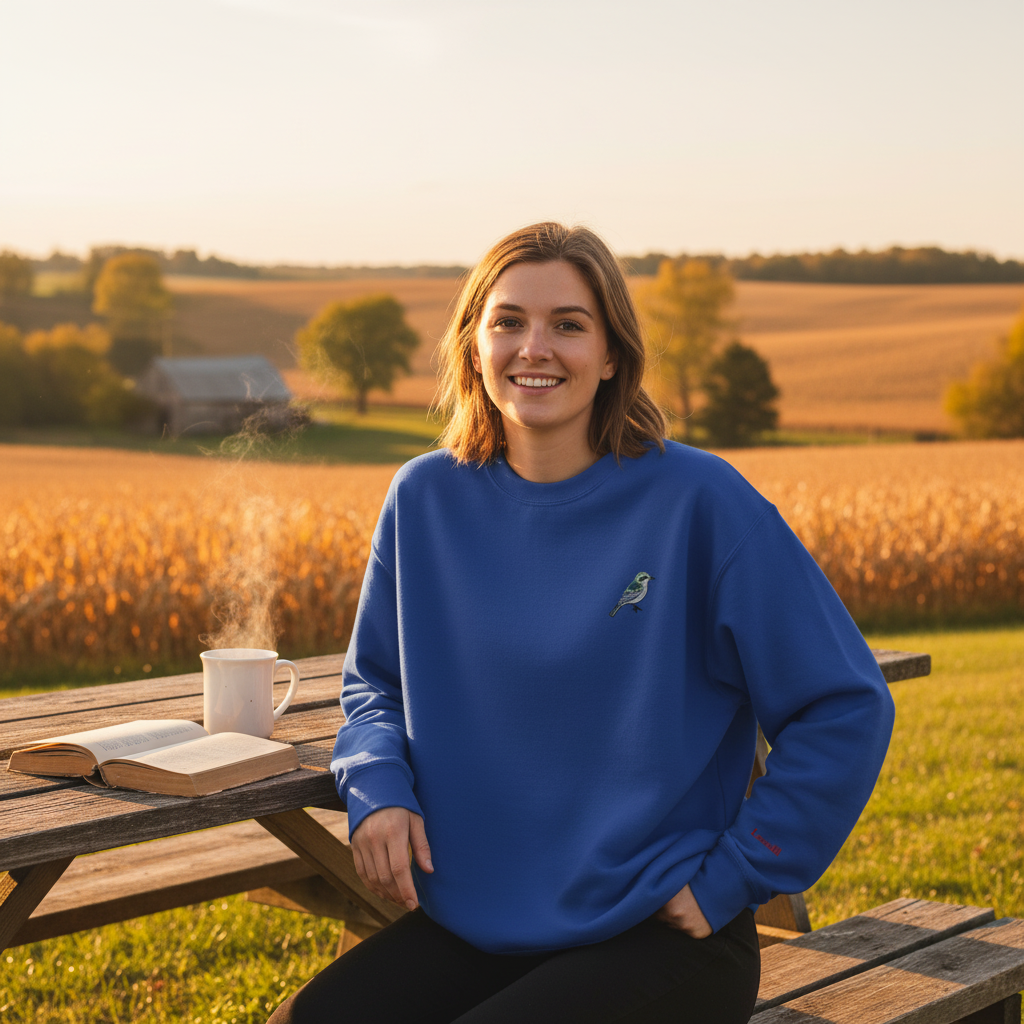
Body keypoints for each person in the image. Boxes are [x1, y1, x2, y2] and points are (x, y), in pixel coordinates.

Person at [268, 222, 895, 1024]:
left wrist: (735, 874)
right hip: (477, 926)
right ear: (473, 347)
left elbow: (844, 703)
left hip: (664, 935)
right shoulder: (423, 500)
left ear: (611, 357)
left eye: (568, 324)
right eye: (509, 322)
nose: (536, 348)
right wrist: (378, 787)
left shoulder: (701, 502)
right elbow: (375, 688)